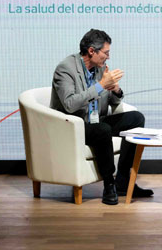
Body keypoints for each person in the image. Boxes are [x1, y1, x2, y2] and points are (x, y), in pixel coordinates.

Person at [50, 29, 154, 205]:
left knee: (136, 118)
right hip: (74, 124)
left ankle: (123, 179)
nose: (108, 57)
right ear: (92, 51)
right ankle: (109, 183)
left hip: (96, 120)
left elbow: (112, 101)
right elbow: (69, 104)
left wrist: (115, 90)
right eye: (106, 53)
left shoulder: (99, 68)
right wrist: (100, 86)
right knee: (103, 129)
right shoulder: (65, 69)